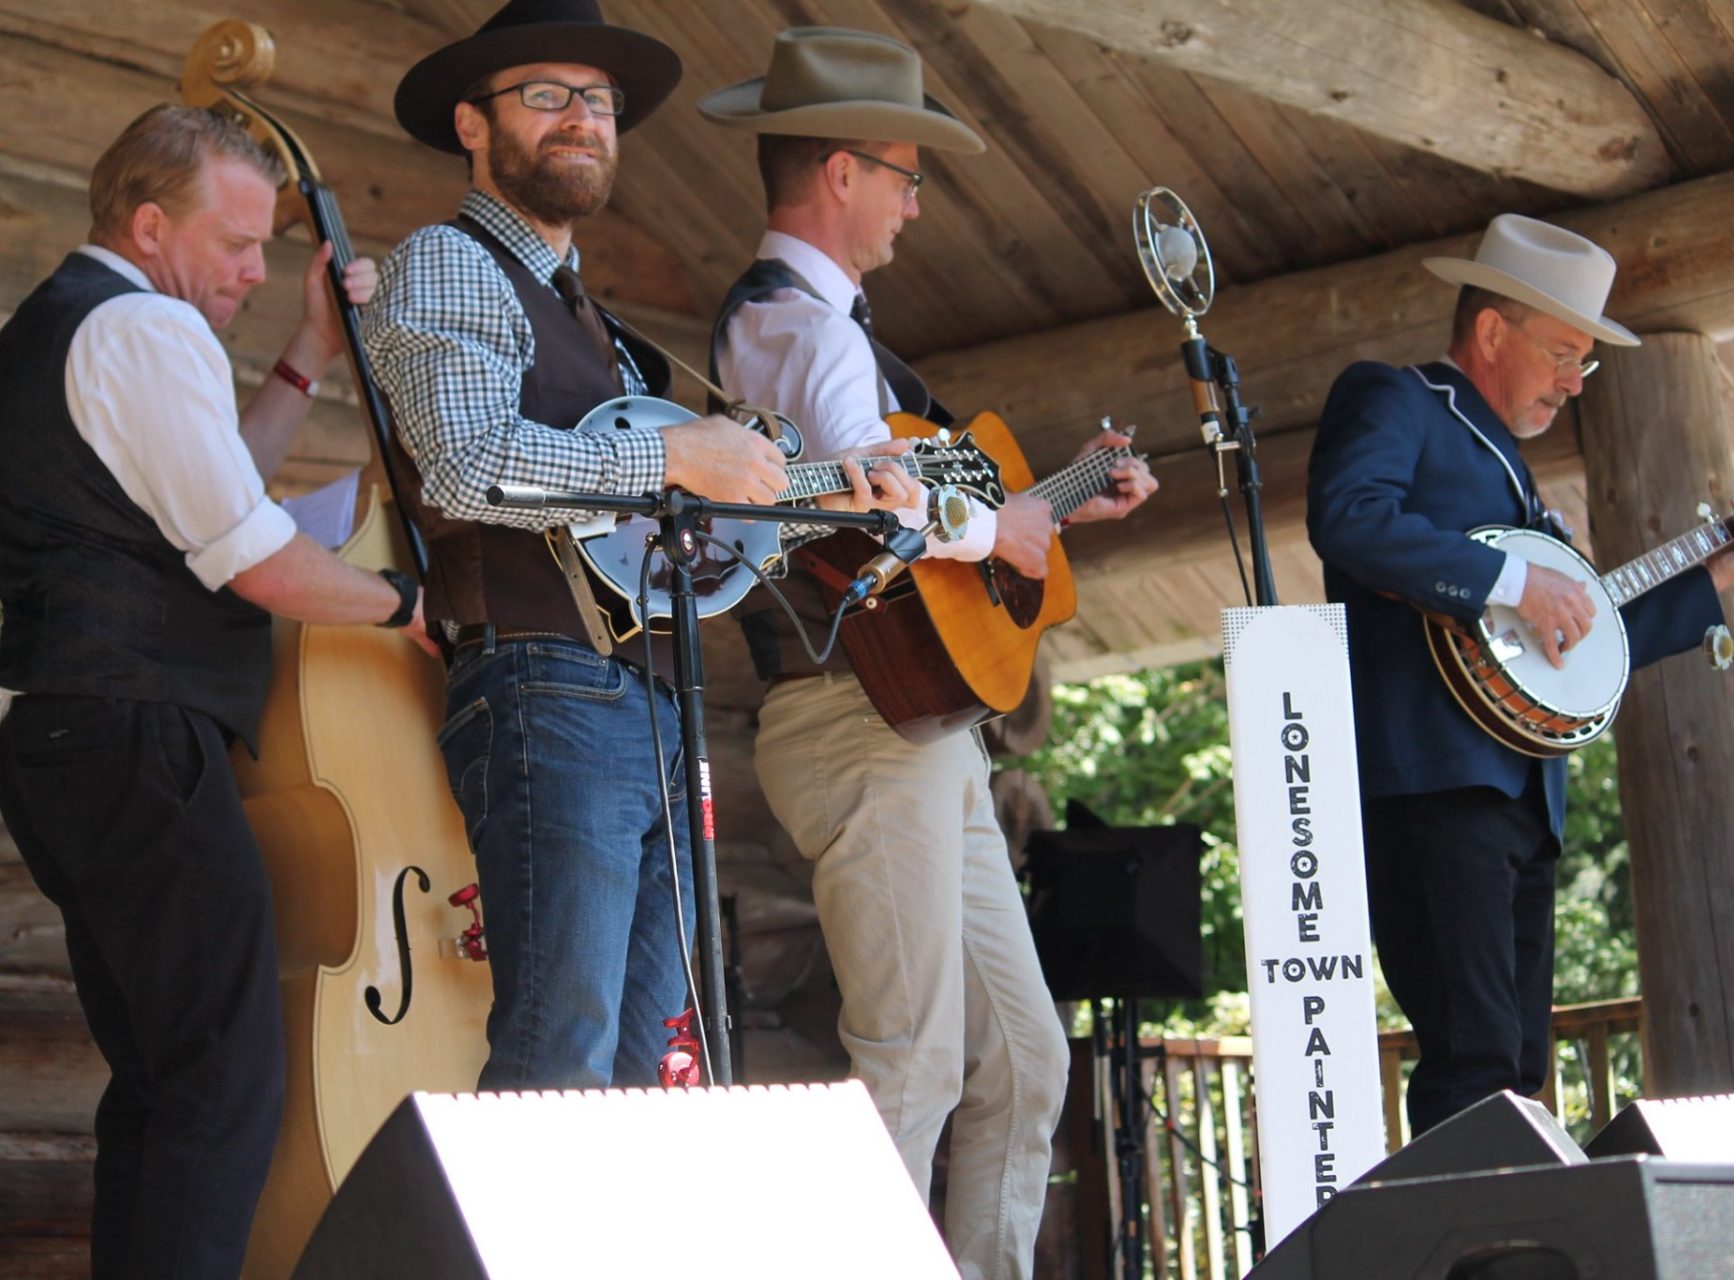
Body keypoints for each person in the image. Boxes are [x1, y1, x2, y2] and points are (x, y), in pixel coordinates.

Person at [362, 0, 909, 1093]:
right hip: (544, 681)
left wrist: (822, 495)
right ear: (474, 124)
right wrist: (674, 461)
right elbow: (470, 465)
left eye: (600, 102)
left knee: (638, 1065)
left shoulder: (598, 322)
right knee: (557, 1056)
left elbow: (664, 512)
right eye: (548, 96)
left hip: (649, 700)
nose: (583, 119)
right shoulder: (452, 261)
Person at [702, 28, 1158, 1280]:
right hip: (857, 718)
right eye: (905, 172)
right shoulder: (798, 326)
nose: (915, 199)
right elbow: (877, 493)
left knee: (1025, 1057)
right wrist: (996, 519)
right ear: (839, 173)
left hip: (919, 729)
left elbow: (917, 531)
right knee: (911, 1053)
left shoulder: (841, 335)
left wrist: (1047, 509)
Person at [0, 105, 430, 1278]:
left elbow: (215, 494)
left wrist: (308, 356)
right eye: (238, 243)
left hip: (73, 737)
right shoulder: (145, 329)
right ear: (150, 225)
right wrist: (409, 606)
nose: (255, 267)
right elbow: (252, 555)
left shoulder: (72, 327)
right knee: (227, 1086)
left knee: (165, 1081)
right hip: (139, 736)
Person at [1306, 213, 1734, 1136]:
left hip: (1523, 797)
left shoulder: (1519, 485)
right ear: (1491, 331)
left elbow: (1579, 645)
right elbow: (1351, 518)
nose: (1574, 380)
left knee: (1518, 1067)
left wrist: (1714, 574)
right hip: (1435, 780)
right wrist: (1517, 579)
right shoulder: (1397, 401)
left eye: (1583, 363)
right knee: (1475, 1059)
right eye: (1564, 351)